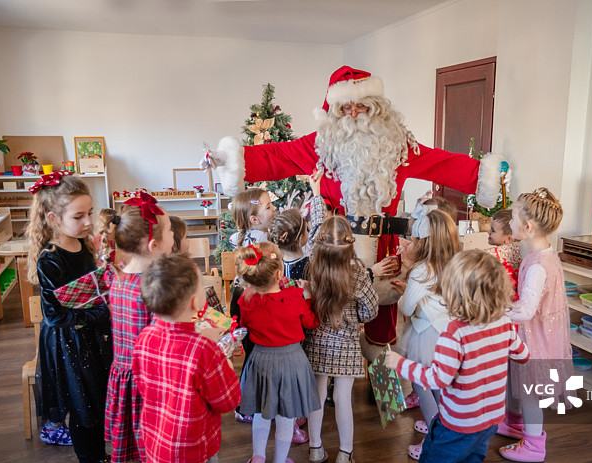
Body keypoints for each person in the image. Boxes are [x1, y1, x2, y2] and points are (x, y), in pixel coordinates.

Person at [204, 66, 507, 373]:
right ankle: (328, 375)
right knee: (330, 311)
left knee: (383, 318)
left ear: (376, 107)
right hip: (336, 246)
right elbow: (276, 157)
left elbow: (439, 163)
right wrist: (229, 160)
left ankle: (382, 380)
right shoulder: (320, 145)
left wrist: (481, 176)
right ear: (334, 110)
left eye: (361, 106)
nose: (353, 114)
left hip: (384, 243)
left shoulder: (397, 145)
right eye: (345, 107)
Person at [385, 250, 529, 463]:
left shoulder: (455, 333)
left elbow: (438, 378)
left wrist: (401, 364)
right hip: (490, 419)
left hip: (459, 422)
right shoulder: (505, 325)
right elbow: (522, 355)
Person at [26, 172, 128, 463]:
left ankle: (100, 459)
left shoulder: (85, 247)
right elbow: (55, 316)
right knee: (82, 405)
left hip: (93, 338)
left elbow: (95, 287)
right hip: (69, 345)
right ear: (54, 219)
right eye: (79, 216)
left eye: (89, 213)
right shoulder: (50, 260)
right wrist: (101, 309)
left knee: (97, 399)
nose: (87, 222)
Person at [133, 254, 241, 463]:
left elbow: (145, 385)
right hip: (192, 456)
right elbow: (229, 400)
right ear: (196, 303)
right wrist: (223, 357)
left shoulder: (144, 338)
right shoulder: (203, 350)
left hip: (157, 447)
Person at [97, 192, 174, 463]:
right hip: (153, 387)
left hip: (128, 380)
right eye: (171, 232)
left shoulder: (118, 277)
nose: (175, 238)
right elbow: (163, 344)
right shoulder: (153, 287)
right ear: (155, 243)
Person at [235, 242, 322, 463]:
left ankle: (258, 459)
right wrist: (310, 297)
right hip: (290, 362)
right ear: (278, 274)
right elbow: (311, 322)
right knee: (286, 416)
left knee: (263, 414)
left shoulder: (247, 299)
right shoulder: (294, 298)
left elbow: (248, 324)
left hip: (261, 360)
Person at [498, 188, 573, 463]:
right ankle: (514, 422)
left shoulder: (539, 265)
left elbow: (527, 310)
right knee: (516, 381)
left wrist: (498, 311)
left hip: (535, 339)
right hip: (533, 335)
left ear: (527, 226)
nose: (510, 224)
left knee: (529, 392)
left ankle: (533, 445)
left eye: (514, 218)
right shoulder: (542, 253)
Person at [303, 216, 379, 463]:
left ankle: (315, 449)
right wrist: (356, 316)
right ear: (350, 244)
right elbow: (371, 312)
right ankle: (345, 453)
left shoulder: (312, 268)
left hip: (316, 340)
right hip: (346, 342)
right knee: (343, 397)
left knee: (317, 395)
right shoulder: (358, 274)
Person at [390, 207, 461, 461]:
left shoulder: (422, 271)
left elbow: (408, 307)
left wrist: (404, 295)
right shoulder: (457, 264)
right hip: (449, 336)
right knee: (442, 388)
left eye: (415, 239)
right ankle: (448, 429)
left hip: (425, 337)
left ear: (424, 242)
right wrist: (410, 290)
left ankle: (435, 441)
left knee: (422, 386)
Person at [485, 208, 521, 293]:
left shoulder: (490, 255)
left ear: (509, 239)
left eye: (493, 230)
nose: (488, 231)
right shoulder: (522, 250)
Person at [269, 208, 310, 280]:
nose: (308, 232)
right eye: (307, 229)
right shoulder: (309, 265)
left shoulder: (277, 264)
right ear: (301, 238)